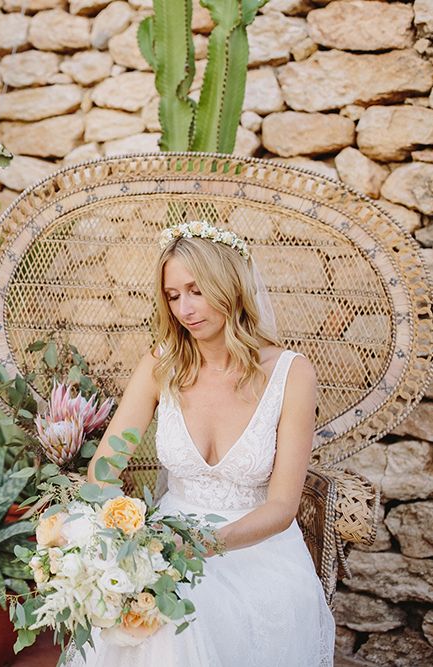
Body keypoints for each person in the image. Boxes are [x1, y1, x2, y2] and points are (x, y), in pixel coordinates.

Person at [66, 221, 335, 666]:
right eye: (173, 296)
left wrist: (206, 546)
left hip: (257, 547)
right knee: (145, 609)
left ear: (228, 286)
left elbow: (282, 506)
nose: (185, 309)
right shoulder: (160, 366)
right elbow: (105, 468)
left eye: (196, 290)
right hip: (167, 539)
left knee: (185, 619)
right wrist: (122, 531)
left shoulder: (290, 373)